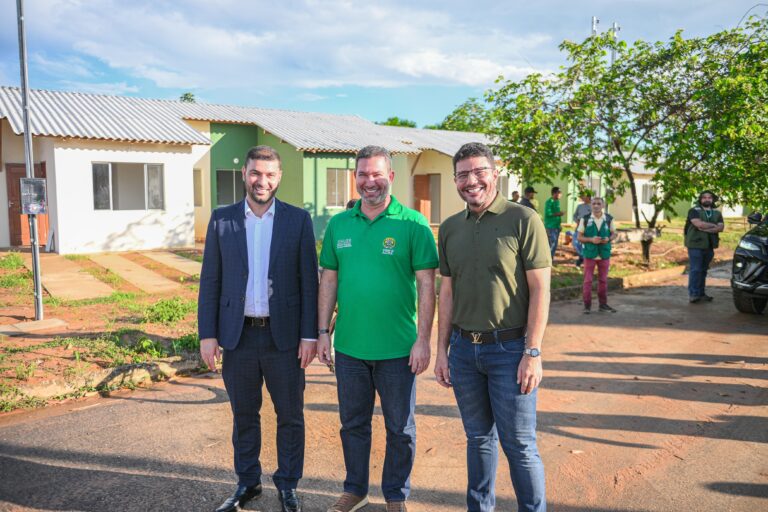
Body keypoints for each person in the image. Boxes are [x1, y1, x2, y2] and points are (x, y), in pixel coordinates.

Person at [317, 145, 438, 512]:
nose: (370, 181)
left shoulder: (413, 224)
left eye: (377, 174)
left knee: (400, 429)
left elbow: (427, 285)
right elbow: (329, 281)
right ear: (355, 177)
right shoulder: (339, 224)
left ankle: (396, 495)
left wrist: (423, 340)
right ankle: (355, 490)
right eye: (363, 174)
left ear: (391, 176)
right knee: (353, 424)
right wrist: (323, 331)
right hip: (350, 348)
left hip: (398, 350)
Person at [198, 145, 319, 512]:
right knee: (244, 415)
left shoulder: (298, 220)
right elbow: (210, 280)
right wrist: (207, 335)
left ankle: (288, 485)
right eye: (255, 173)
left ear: (279, 177)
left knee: (290, 416)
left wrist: (309, 335)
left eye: (269, 175)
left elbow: (308, 283)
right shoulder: (222, 219)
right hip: (238, 338)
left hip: (284, 339)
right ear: (244, 174)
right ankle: (248, 483)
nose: (261, 181)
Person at [435, 142, 550, 512]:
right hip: (464, 351)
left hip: (510, 351)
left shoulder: (523, 220)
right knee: (478, 439)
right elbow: (446, 292)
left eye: (479, 171)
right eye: (463, 175)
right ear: (455, 181)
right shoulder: (450, 228)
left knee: (519, 445)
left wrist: (533, 352)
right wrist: (442, 351)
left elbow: (540, 289)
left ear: (495, 174)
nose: (472, 181)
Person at [577, 197, 617, 314]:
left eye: (599, 203)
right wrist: (591, 239)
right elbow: (579, 237)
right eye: (594, 203)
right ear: (591, 205)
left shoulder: (608, 218)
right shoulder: (585, 219)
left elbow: (614, 233)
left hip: (604, 253)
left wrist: (608, 238)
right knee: (587, 281)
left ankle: (603, 305)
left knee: (603, 280)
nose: (596, 206)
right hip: (590, 254)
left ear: (603, 205)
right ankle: (587, 306)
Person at [684, 190, 724, 303]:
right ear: (700, 199)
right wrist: (714, 226)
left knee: (703, 270)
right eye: (704, 197)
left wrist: (706, 228)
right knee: (696, 269)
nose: (707, 199)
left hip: (709, 245)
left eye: (709, 197)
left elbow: (721, 228)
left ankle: (701, 294)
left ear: (712, 199)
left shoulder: (717, 213)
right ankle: (693, 294)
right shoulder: (694, 211)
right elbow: (698, 224)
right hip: (695, 244)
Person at [571, 193, 592, 267]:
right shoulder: (579, 206)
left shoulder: (593, 207)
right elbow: (574, 216)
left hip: (588, 229)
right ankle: (582, 256)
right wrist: (577, 221)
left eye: (585, 196)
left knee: (586, 244)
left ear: (589, 197)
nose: (583, 197)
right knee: (575, 242)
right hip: (579, 228)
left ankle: (583, 259)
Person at [543, 186, 564, 261]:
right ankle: (547, 260)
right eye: (559, 193)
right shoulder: (549, 202)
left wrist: (559, 225)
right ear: (555, 193)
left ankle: (550, 259)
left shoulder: (557, 201)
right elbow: (548, 213)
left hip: (556, 226)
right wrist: (559, 214)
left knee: (555, 244)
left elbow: (556, 215)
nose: (561, 195)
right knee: (551, 243)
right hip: (550, 226)